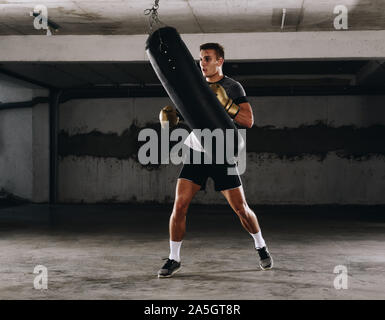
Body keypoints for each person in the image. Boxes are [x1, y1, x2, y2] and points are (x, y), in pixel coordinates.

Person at [158, 43, 273, 278]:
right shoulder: (192, 86)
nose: (203, 63)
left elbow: (248, 121)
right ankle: (174, 258)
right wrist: (171, 119)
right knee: (179, 206)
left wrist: (228, 105)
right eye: (201, 59)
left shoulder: (232, 86)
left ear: (220, 61)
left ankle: (261, 246)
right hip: (197, 152)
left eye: (208, 58)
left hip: (221, 152)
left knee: (241, 209)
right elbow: (187, 116)